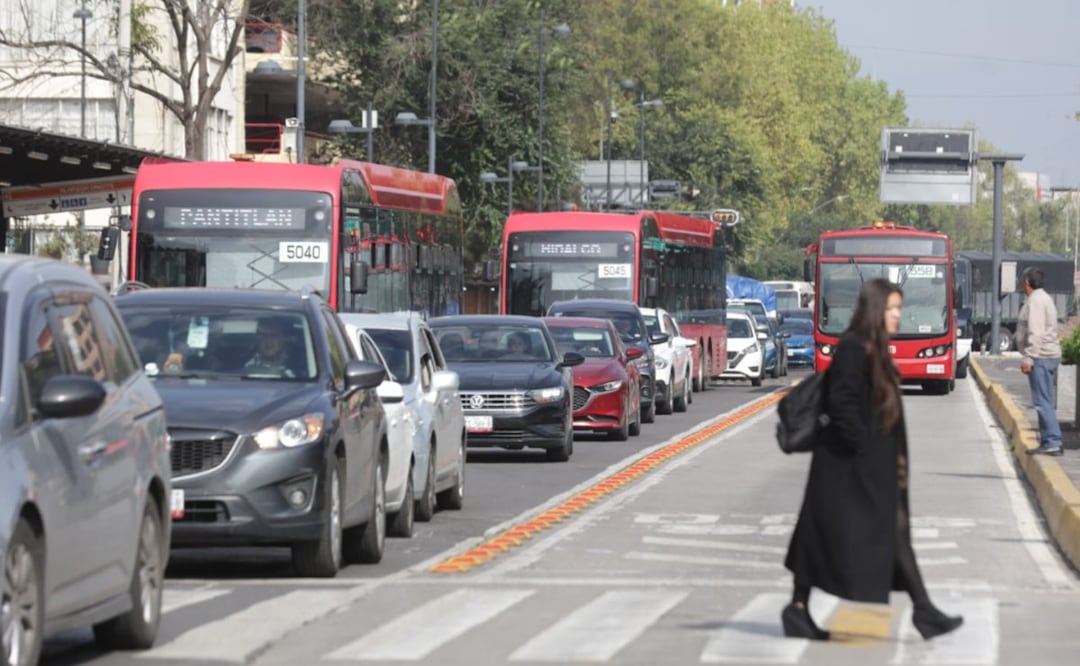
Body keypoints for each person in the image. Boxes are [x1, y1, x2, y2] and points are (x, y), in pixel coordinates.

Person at [783, 278, 963, 642]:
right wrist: (865, 450)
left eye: (899, 309)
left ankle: (800, 607)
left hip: (868, 465)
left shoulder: (872, 347)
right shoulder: (854, 347)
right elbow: (843, 404)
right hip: (848, 466)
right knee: (829, 533)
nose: (898, 315)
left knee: (880, 532)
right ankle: (922, 609)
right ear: (876, 310)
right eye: (892, 309)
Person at [1016, 267, 1063, 456]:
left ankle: (1052, 441)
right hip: (1047, 355)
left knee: (1042, 401)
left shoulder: (1035, 301)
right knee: (1046, 400)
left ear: (1027, 282)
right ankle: (1048, 440)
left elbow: (1036, 332)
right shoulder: (1043, 297)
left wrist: (1029, 357)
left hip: (1041, 357)